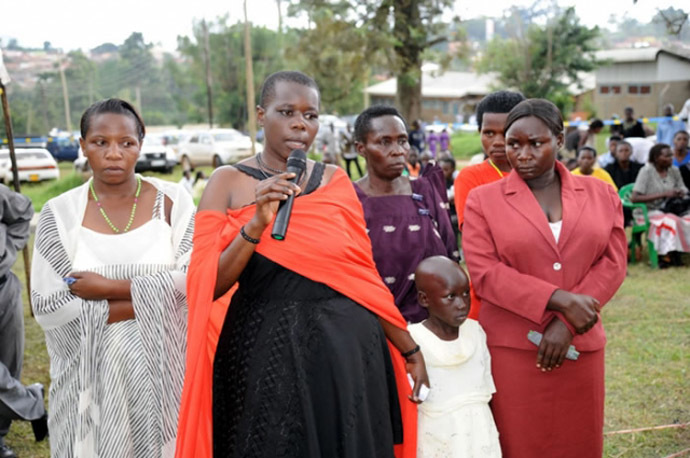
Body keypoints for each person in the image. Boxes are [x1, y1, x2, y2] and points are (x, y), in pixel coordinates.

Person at [176, 71, 428, 458]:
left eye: (310, 115)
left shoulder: (335, 181)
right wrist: (256, 224)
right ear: (261, 115)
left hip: (345, 353)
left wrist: (410, 352)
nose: (300, 123)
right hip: (263, 350)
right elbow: (209, 285)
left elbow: (363, 278)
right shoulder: (226, 182)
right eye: (286, 111)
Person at [463, 98, 628, 457]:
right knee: (520, 441)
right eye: (513, 144)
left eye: (535, 144)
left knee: (579, 440)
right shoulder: (482, 200)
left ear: (559, 140)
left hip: (580, 345)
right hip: (514, 350)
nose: (521, 154)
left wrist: (567, 321)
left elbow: (613, 263)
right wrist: (560, 300)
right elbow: (485, 273)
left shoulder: (602, 194)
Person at [31, 98, 195, 457]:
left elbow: (193, 283)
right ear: (82, 146)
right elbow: (49, 307)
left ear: (141, 144)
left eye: (126, 143)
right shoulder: (59, 214)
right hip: (86, 394)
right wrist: (152, 296)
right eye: (100, 142)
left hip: (164, 385)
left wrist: (106, 289)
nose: (114, 153)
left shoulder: (173, 202)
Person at [353, 105, 458, 324]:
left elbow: (450, 256)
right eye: (384, 142)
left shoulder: (425, 190)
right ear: (361, 148)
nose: (398, 150)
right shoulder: (349, 200)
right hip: (371, 329)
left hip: (432, 332)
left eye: (402, 141)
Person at [410, 256, 500, 458]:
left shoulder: (475, 332)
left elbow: (487, 385)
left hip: (481, 433)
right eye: (451, 296)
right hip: (437, 436)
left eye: (466, 294)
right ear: (424, 299)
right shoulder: (414, 341)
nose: (462, 304)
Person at [453, 90, 525, 319]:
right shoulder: (470, 178)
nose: (496, 141)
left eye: (504, 133)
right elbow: (478, 240)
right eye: (488, 133)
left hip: (541, 297)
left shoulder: (539, 175)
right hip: (488, 301)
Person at [0, 185, 47, 458]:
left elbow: (23, 212)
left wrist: (9, 248)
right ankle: (34, 405)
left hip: (4, 288)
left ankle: (0, 437)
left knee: (8, 363)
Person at [631, 143, 690, 267]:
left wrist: (680, 192)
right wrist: (663, 194)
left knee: (686, 220)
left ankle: (680, 252)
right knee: (670, 222)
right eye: (667, 156)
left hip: (671, 209)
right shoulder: (646, 171)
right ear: (657, 158)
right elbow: (635, 198)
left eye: (671, 155)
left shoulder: (674, 170)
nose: (671, 158)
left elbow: (683, 188)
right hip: (648, 210)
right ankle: (666, 256)